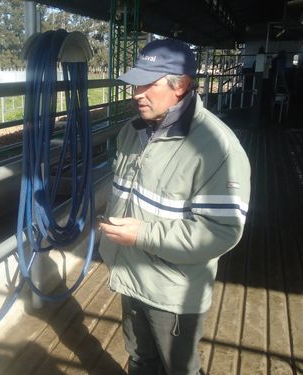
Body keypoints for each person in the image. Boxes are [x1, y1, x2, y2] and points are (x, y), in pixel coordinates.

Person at [97, 38, 251, 375]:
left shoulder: (216, 147)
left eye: (148, 84)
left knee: (178, 368)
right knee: (139, 360)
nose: (137, 92)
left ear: (180, 86)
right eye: (136, 82)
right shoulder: (130, 132)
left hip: (173, 290)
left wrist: (143, 235)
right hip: (129, 274)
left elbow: (221, 231)